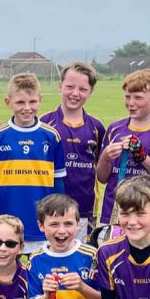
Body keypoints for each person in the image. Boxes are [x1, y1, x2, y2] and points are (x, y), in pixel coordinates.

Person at [0, 73, 67, 253]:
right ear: (8, 102)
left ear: (40, 101)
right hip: (3, 221)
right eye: (20, 102)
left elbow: (58, 184)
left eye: (32, 102)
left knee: (38, 274)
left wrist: (58, 217)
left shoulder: (51, 136)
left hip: (40, 225)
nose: (27, 108)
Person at [41, 62, 106, 242]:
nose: (75, 93)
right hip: (49, 207)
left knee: (83, 258)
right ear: (60, 86)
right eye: (70, 87)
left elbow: (102, 169)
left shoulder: (97, 127)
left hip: (84, 209)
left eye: (83, 89)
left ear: (90, 91)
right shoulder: (44, 124)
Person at [96, 68, 150, 230]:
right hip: (114, 213)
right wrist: (106, 157)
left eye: (138, 97)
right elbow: (102, 178)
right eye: (127, 97)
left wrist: (143, 157)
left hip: (146, 216)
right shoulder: (115, 129)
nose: (131, 103)